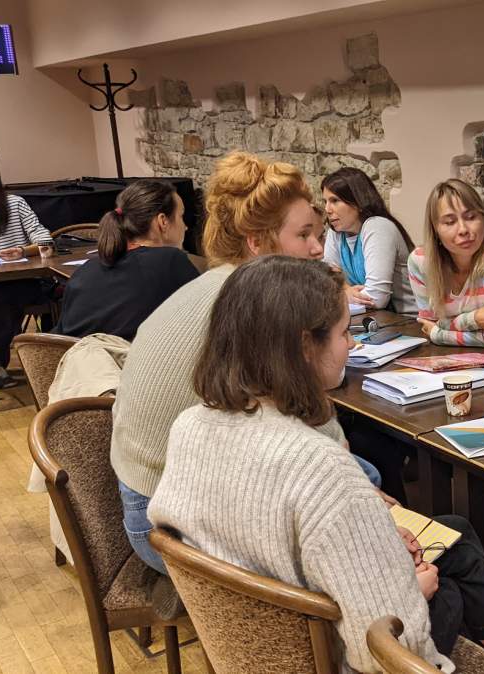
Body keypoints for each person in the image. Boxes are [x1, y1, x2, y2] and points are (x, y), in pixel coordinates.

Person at [148, 256, 484, 674]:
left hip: (252, 645)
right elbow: (389, 651)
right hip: (330, 658)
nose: (352, 345)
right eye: (343, 333)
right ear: (305, 346)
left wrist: (375, 539)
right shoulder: (321, 469)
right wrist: (410, 589)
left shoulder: (190, 425)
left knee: (455, 534)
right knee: (450, 580)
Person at [110, 151, 332, 582]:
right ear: (257, 240)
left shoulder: (218, 283)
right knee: (360, 485)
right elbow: (308, 423)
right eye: (304, 234)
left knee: (358, 476)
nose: (318, 248)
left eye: (318, 233)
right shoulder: (256, 307)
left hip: (147, 497)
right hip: (168, 526)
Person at [56, 179, 200, 340]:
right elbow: (208, 318)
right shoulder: (171, 261)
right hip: (132, 363)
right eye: (181, 216)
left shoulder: (84, 271)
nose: (186, 227)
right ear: (163, 222)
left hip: (74, 361)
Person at [408, 179, 484, 346]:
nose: (463, 229)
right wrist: (475, 319)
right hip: (446, 361)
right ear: (435, 230)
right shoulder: (421, 261)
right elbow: (427, 324)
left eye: (471, 217)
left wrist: (440, 335)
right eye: (450, 222)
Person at [0, 159, 54, 388]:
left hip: (22, 280)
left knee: (2, 297)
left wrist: (22, 250)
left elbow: (44, 240)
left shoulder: (15, 204)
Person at [321, 167, 418, 313]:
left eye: (335, 200)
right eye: (325, 201)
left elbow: (376, 298)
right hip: (373, 321)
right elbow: (325, 282)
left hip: (409, 322)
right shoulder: (336, 232)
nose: (328, 209)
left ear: (358, 201)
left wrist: (340, 292)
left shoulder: (377, 226)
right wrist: (344, 289)